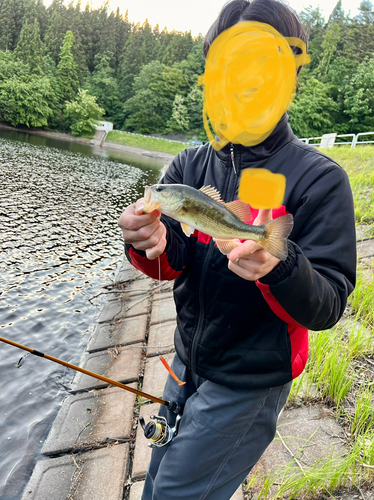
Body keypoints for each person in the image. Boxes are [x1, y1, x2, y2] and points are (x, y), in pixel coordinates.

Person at [118, 1, 356, 498]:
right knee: (157, 484)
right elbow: (174, 257)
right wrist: (148, 243)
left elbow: (330, 303)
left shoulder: (319, 179)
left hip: (249, 383)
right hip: (185, 362)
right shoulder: (188, 165)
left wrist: (279, 264)